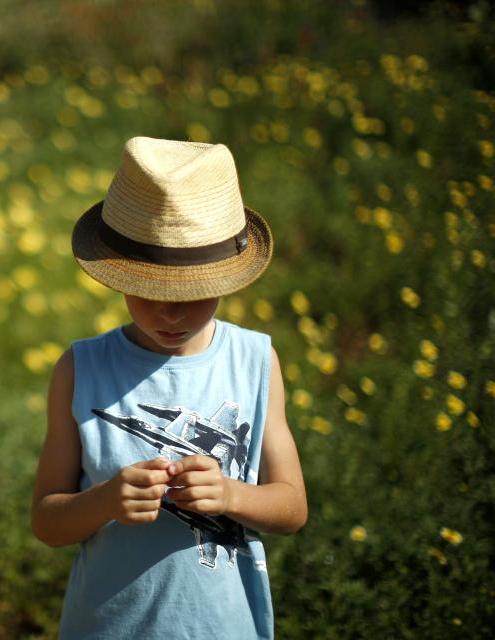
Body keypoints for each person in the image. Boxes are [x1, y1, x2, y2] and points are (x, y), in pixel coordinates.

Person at [31, 137, 307, 639]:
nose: (172, 312)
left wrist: (227, 494)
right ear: (116, 277)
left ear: (227, 278)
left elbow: (292, 508)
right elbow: (47, 522)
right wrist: (105, 501)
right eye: (150, 291)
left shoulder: (255, 361)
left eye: (195, 292)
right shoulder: (80, 368)